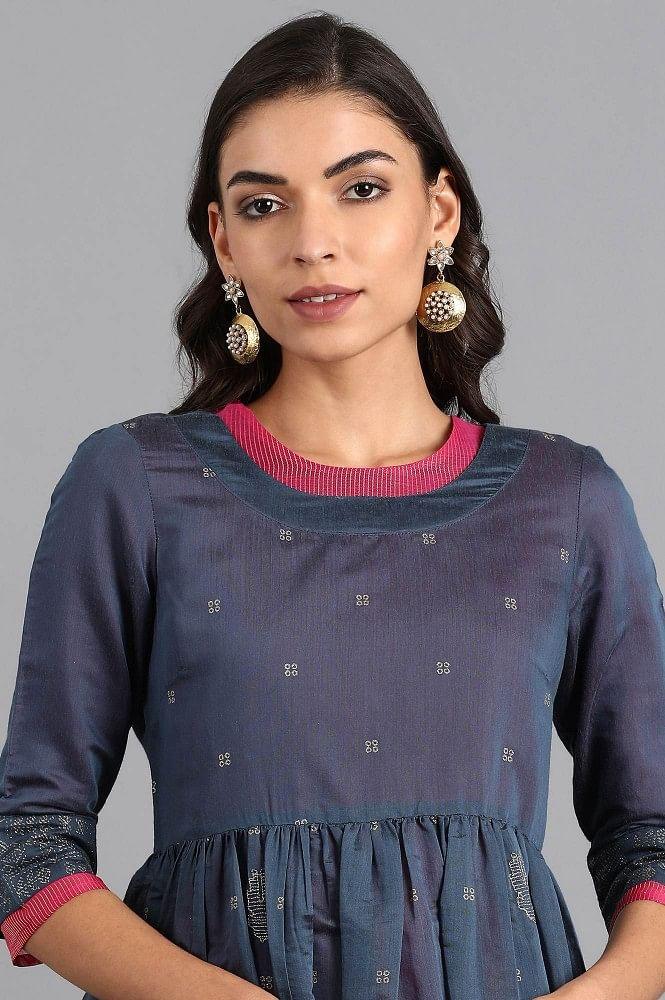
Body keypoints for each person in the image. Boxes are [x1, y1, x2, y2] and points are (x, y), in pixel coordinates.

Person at [2, 11, 665, 1000]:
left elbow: (650, 836)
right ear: (223, 241)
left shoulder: (565, 501)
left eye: (360, 189)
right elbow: (28, 845)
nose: (313, 242)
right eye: (264, 205)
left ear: (438, 212)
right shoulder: (133, 484)